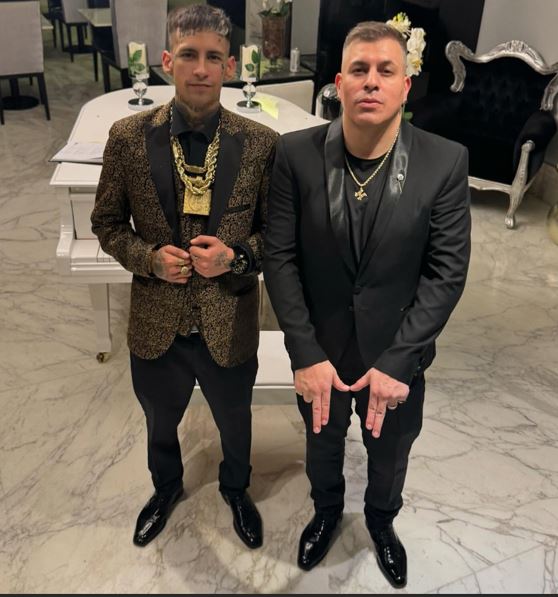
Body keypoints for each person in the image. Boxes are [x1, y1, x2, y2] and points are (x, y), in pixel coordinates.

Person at [263, 21, 471, 588]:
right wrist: (305, 352)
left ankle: (381, 521)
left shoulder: (444, 161)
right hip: (321, 350)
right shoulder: (295, 155)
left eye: (386, 70)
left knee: (391, 453)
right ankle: (326, 510)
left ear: (406, 85)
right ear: (339, 84)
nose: (371, 81)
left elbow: (446, 273)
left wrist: (400, 360)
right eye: (359, 69)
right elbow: (279, 258)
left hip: (396, 353)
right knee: (321, 443)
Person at [91, 4, 278, 550]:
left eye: (213, 58)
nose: (200, 69)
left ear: (230, 67)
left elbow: (277, 236)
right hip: (156, 320)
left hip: (229, 319)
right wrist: (148, 258)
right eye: (189, 55)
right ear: (168, 61)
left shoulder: (261, 143)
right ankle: (166, 486)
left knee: (235, 419)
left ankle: (236, 488)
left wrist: (235, 257)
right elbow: (106, 223)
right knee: (158, 418)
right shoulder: (127, 137)